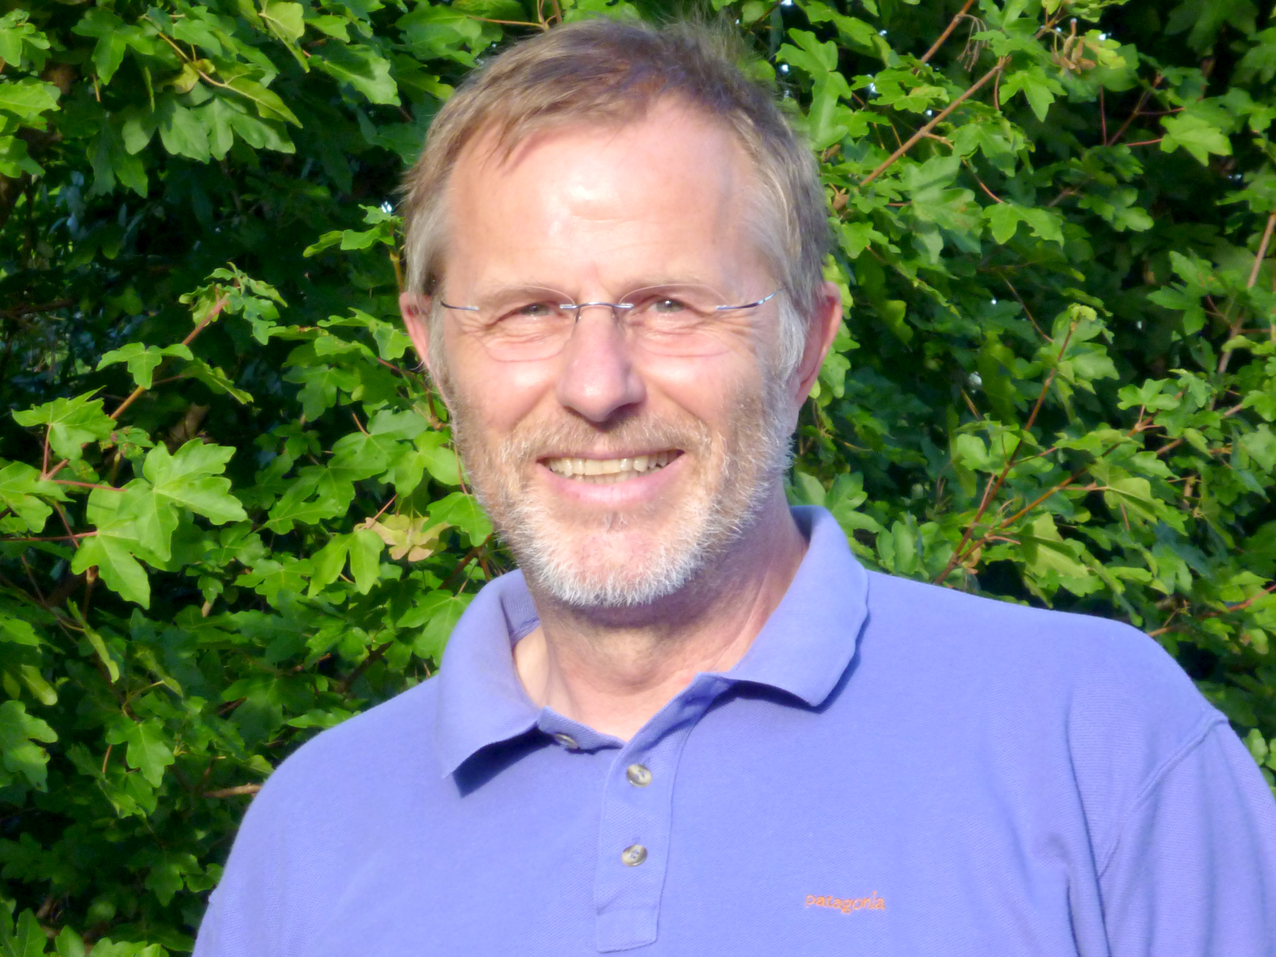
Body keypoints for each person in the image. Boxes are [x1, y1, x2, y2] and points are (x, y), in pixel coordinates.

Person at [193, 18, 1276, 957]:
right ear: (433, 352)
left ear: (806, 344)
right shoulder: (313, 833)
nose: (597, 386)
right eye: (528, 311)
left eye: (670, 305)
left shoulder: (1095, 745)